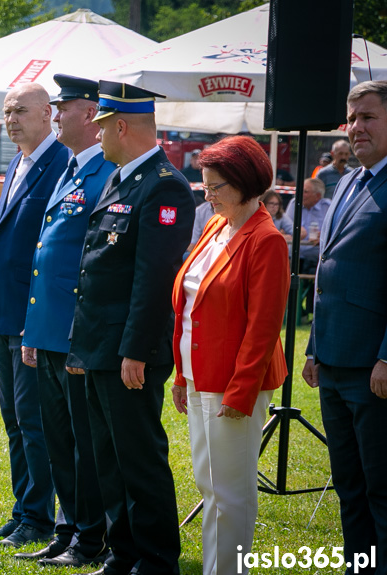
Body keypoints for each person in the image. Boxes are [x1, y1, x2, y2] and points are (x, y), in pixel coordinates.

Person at [66, 80, 195, 575]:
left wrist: (135, 350)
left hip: (129, 348)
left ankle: (157, 559)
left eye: (101, 126)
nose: (96, 136)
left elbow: (154, 278)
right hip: (100, 343)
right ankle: (124, 554)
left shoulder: (163, 184)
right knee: (108, 457)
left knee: (138, 458)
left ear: (121, 125)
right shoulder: (121, 177)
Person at [170, 136, 290, 575]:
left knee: (231, 494)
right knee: (210, 487)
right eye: (205, 185)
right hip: (201, 377)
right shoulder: (216, 226)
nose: (207, 194)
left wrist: (239, 394)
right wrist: (182, 375)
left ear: (244, 185)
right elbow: (192, 305)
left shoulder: (266, 240)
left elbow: (263, 329)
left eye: (215, 186)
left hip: (233, 387)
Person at [17, 74, 114, 568]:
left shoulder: (106, 173)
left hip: (77, 332)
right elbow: (47, 256)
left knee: (82, 443)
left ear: (94, 113)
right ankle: (67, 527)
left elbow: (93, 264)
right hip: (49, 329)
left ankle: (90, 537)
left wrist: (77, 332)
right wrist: (34, 332)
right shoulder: (71, 169)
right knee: (57, 438)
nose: (56, 114)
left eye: (66, 106)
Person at [0, 81, 67, 547]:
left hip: (34, 317)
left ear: (48, 113)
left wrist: (38, 316)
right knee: (14, 418)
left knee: (34, 420)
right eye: (6, 112)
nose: (12, 120)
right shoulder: (17, 163)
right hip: (5, 313)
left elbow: (49, 252)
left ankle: (39, 517)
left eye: (21, 111)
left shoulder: (60, 164)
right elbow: (2, 247)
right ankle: (23, 509)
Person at [303, 80, 387, 575]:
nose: (356, 128)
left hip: (372, 366)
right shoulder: (349, 181)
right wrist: (314, 347)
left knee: (380, 486)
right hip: (333, 360)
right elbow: (329, 271)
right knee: (348, 484)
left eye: (369, 117)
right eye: (352, 119)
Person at [286, 178, 331, 274]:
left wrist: (324, 236)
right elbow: (286, 228)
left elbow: (334, 231)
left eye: (305, 192)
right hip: (294, 255)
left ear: (317, 196)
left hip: (315, 257)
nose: (300, 194)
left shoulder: (328, 207)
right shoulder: (294, 204)